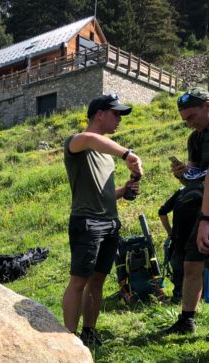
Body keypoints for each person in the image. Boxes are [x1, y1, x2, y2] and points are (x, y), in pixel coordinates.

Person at [62, 93, 143, 346]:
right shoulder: (77, 143)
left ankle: (89, 333)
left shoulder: (106, 156)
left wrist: (124, 190)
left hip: (109, 223)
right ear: (99, 114)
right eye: (115, 114)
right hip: (87, 223)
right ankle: (68, 342)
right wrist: (128, 154)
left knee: (97, 281)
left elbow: (104, 193)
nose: (119, 119)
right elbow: (89, 138)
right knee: (79, 281)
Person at [162, 88, 209, 334]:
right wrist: (182, 175)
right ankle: (186, 320)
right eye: (185, 120)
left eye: (191, 117)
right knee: (192, 262)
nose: (189, 124)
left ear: (207, 105)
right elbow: (195, 180)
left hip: (207, 214)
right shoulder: (195, 139)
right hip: (202, 209)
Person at [158, 182, 203, 302]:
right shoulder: (204, 191)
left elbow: (162, 211)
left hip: (179, 240)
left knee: (179, 272)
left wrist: (170, 233)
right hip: (198, 240)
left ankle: (178, 296)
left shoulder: (182, 191)